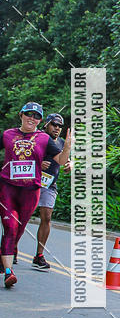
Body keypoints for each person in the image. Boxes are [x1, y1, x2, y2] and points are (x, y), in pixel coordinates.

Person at [0, 102, 71, 288]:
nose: (32, 118)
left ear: (40, 120)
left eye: (37, 116)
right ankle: (8, 271)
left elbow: (62, 161)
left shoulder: (44, 139)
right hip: (8, 186)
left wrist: (68, 149)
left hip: (32, 190)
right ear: (21, 115)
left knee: (19, 228)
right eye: (29, 114)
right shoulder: (8, 134)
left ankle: (9, 251)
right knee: (9, 226)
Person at [31, 113, 71, 271]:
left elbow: (66, 160)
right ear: (46, 124)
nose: (57, 128)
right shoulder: (37, 138)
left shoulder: (61, 142)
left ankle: (39, 255)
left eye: (60, 126)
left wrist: (70, 165)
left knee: (46, 217)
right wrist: (38, 163)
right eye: (54, 124)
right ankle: (11, 248)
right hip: (31, 182)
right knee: (22, 216)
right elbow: (24, 157)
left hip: (49, 185)